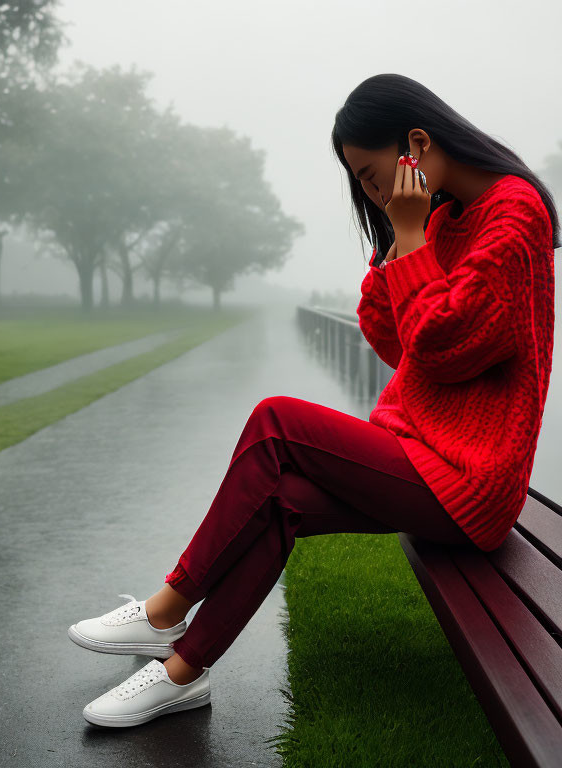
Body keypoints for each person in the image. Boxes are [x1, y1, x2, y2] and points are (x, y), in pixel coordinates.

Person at [69, 73, 558, 728]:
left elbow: (446, 347)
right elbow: (395, 340)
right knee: (283, 501)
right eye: (362, 182)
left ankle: (165, 609)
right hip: (422, 453)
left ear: (415, 142)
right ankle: (183, 673)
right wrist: (398, 242)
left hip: (474, 480)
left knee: (277, 422)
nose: (372, 191)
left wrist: (411, 238)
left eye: (371, 173)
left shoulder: (515, 212)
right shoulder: (445, 220)